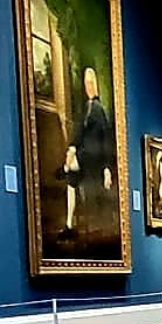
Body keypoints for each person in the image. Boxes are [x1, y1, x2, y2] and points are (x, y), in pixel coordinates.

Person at [56, 66, 116, 241]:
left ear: (95, 85)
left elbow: (105, 140)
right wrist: (72, 148)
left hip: (93, 156)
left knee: (71, 170)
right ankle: (69, 224)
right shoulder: (86, 108)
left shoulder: (98, 109)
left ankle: (64, 169)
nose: (88, 86)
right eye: (86, 83)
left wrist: (107, 168)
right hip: (85, 153)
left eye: (91, 83)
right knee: (71, 183)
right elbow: (78, 133)